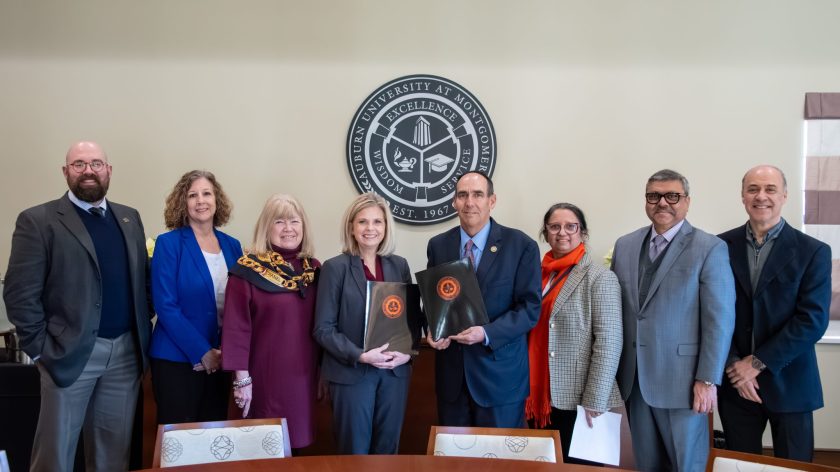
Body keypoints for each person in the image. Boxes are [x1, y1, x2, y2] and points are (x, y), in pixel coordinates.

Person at [3, 141, 151, 472]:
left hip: (125, 355)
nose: (88, 171)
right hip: (68, 354)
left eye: (96, 164)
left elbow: (143, 281)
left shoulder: (129, 218)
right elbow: (19, 293)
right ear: (65, 171)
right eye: (79, 164)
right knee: (55, 455)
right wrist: (41, 349)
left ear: (109, 171)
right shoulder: (38, 220)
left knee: (113, 455)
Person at [612, 169, 735, 471]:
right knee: (645, 464)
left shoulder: (709, 248)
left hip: (684, 383)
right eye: (654, 196)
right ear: (646, 201)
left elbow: (719, 320)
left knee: (687, 465)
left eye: (672, 196)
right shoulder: (625, 245)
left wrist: (707, 379)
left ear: (687, 202)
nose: (662, 203)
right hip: (635, 380)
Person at [717, 165, 831, 462]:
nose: (761, 196)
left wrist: (756, 363)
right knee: (740, 466)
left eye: (770, 189)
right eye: (753, 189)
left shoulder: (813, 251)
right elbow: (711, 312)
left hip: (791, 383)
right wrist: (734, 367)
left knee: (794, 467)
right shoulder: (718, 247)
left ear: (784, 195)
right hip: (735, 386)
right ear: (743, 196)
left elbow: (812, 320)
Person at [426, 171, 541, 428]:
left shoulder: (521, 245)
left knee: (499, 464)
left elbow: (530, 309)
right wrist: (432, 328)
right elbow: (433, 302)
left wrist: (486, 333)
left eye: (478, 194)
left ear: (492, 200)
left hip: (500, 381)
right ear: (454, 202)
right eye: (463, 195)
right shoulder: (438, 245)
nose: (470, 202)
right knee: (453, 463)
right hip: (452, 380)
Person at [313, 192, 418, 454]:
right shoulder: (334, 268)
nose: (370, 228)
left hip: (394, 374)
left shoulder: (399, 265)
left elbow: (411, 321)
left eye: (377, 222)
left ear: (386, 227)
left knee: (387, 450)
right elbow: (323, 329)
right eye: (362, 222)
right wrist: (360, 355)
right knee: (355, 452)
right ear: (351, 227)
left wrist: (406, 355)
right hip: (352, 375)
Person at [526, 203, 623, 465]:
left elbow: (609, 341)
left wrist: (596, 398)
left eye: (571, 226)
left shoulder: (599, 278)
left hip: (579, 398)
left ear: (583, 232)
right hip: (536, 393)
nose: (562, 232)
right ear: (545, 233)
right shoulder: (534, 276)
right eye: (554, 226)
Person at [221, 194, 320, 449]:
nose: (288, 228)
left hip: (304, 377)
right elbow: (236, 329)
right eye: (279, 221)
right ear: (266, 227)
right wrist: (242, 380)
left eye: (294, 221)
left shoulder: (315, 270)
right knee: (264, 446)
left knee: (297, 445)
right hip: (262, 377)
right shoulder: (246, 271)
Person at [149, 170, 242, 424]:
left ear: (216, 199)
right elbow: (165, 305)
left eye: (206, 193)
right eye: (192, 195)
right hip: (177, 360)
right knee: (179, 445)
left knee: (213, 441)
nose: (201, 201)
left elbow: (240, 304)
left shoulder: (233, 245)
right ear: (183, 202)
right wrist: (202, 351)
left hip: (221, 359)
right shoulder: (169, 244)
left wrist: (225, 351)